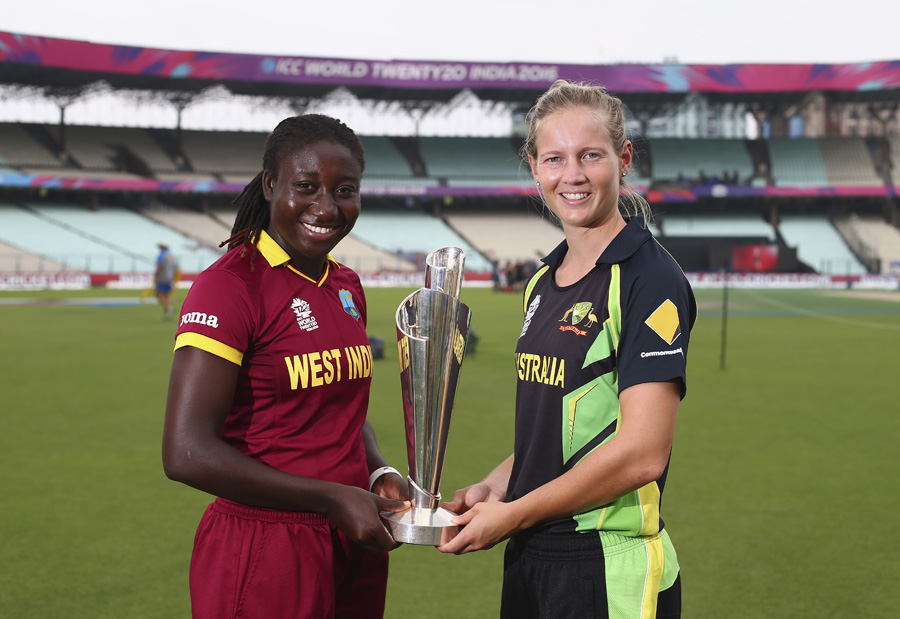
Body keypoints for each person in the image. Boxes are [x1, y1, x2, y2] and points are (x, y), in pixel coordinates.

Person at [438, 80, 697, 619]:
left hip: (608, 565)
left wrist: (514, 514)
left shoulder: (648, 280)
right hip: (533, 555)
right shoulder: (542, 281)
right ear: (534, 166)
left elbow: (644, 450)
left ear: (623, 159)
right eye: (554, 158)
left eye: (590, 156)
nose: (572, 175)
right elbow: (557, 434)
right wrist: (493, 487)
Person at [162, 114, 410, 619]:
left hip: (350, 536)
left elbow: (340, 406)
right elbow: (186, 452)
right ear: (272, 185)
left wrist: (376, 467)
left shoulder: (345, 285)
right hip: (265, 544)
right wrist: (329, 498)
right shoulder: (232, 286)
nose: (326, 207)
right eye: (306, 186)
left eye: (345, 190)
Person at [154, 242, 179, 319]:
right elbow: (175, 268)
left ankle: (169, 308)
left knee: (158, 295)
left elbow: (160, 266)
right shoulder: (171, 255)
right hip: (170, 277)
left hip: (162, 277)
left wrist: (156, 275)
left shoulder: (162, 255)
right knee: (166, 295)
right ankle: (166, 314)